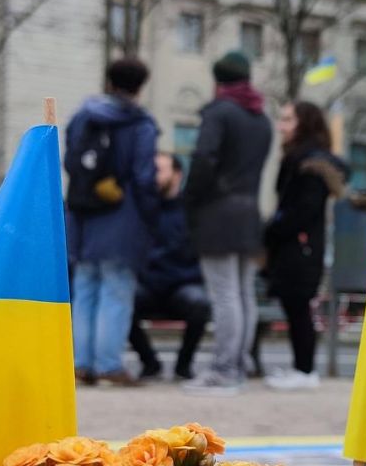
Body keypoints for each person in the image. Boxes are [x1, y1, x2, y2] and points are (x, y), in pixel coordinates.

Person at [64, 57, 160, 386]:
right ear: (140, 86)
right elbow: (145, 177)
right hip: (123, 217)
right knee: (116, 291)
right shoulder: (140, 124)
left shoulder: (82, 117)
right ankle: (108, 364)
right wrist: (149, 216)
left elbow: (69, 162)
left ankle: (81, 363)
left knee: (85, 288)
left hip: (83, 216)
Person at [183, 50, 272, 395]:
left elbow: (204, 158)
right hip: (250, 213)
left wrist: (191, 197)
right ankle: (240, 362)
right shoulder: (260, 119)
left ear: (218, 81)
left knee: (223, 294)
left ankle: (223, 369)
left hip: (218, 213)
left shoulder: (219, 113)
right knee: (243, 293)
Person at [263, 100, 346, 389]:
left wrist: (274, 230)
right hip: (299, 245)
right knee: (295, 307)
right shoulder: (304, 160)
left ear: (304, 124)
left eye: (287, 119)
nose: (281, 126)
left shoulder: (309, 165)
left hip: (300, 247)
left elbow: (303, 209)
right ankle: (302, 368)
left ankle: (305, 370)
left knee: (298, 307)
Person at [127, 152, 210, 381]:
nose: (154, 176)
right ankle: (149, 362)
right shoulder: (143, 209)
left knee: (199, 304)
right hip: (148, 285)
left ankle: (184, 366)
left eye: (160, 170)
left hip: (182, 285)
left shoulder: (192, 212)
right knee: (121, 302)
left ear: (177, 175)